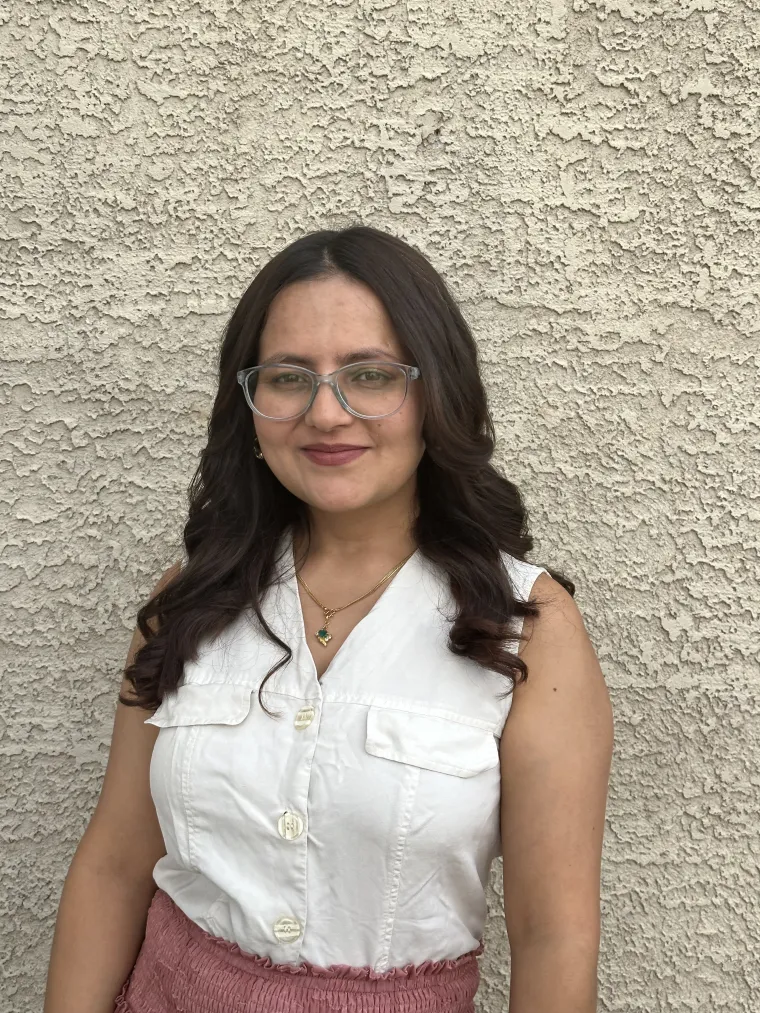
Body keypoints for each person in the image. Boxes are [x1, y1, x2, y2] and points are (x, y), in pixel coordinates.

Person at [44, 224, 614, 1013]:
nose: (327, 412)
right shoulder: (191, 598)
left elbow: (554, 934)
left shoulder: (526, 625)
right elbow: (114, 860)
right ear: (250, 404)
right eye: (288, 378)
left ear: (434, 393)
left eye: (370, 375)